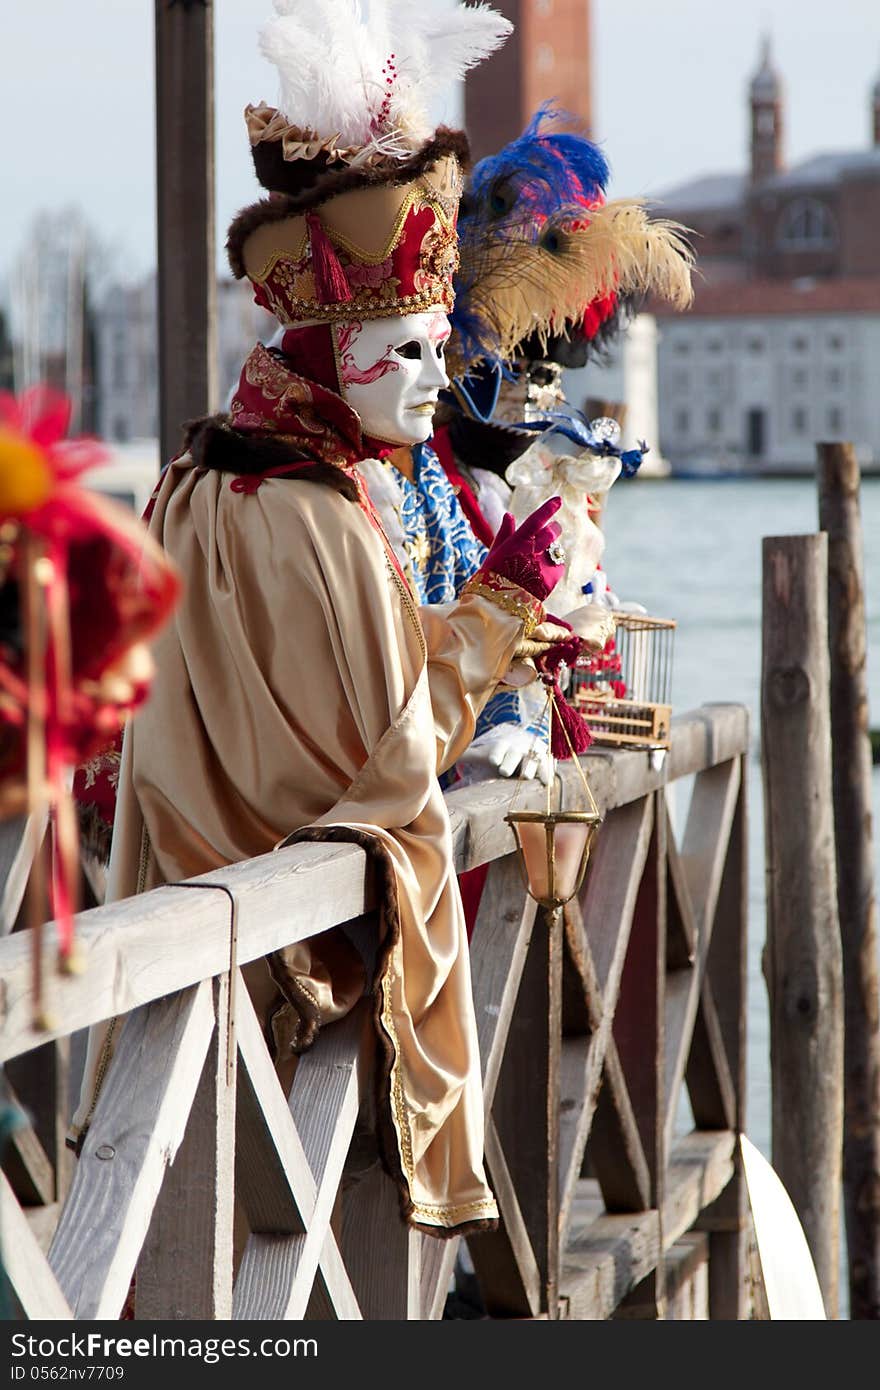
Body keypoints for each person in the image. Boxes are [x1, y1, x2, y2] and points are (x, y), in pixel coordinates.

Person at [71, 0, 579, 1239]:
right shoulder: (290, 504)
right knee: (259, 1247)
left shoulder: (253, 466)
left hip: (217, 937)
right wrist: (508, 599)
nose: (430, 382)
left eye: (432, 353)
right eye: (400, 352)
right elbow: (385, 760)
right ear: (328, 347)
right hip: (261, 954)